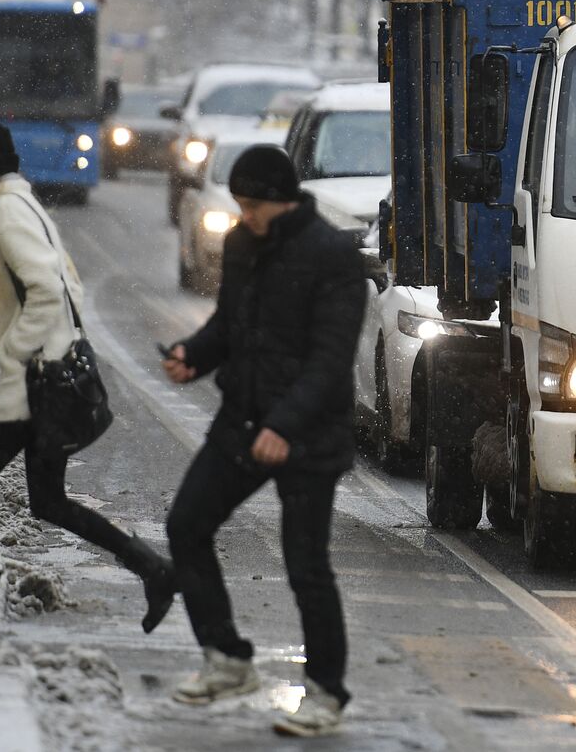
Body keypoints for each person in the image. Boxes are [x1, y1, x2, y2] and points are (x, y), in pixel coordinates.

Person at [0, 122, 175, 639]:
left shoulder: (6, 211)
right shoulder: (20, 202)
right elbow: (69, 281)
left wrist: (17, 350)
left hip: (32, 382)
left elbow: (46, 288)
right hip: (45, 372)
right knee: (48, 501)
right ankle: (154, 570)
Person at [161, 145, 366, 738]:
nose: (245, 216)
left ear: (282, 200)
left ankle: (326, 692)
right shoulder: (244, 243)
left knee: (306, 566)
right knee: (186, 524)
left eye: (253, 206)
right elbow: (230, 326)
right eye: (241, 205)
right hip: (243, 420)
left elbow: (330, 362)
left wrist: (285, 427)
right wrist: (191, 357)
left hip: (307, 434)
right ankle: (226, 658)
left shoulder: (332, 257)